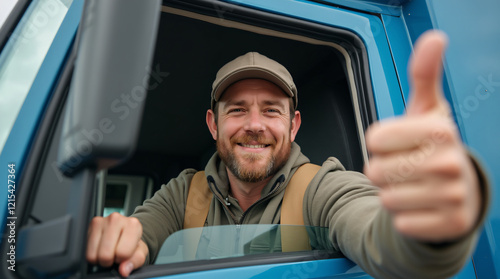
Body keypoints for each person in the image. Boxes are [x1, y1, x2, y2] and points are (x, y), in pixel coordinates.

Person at [86, 31, 488, 278]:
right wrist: (124, 242)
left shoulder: (323, 186)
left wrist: (430, 230)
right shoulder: (182, 192)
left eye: (272, 110)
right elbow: (144, 231)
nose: (255, 124)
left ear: (293, 125)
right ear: (213, 124)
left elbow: (379, 235)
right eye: (238, 109)